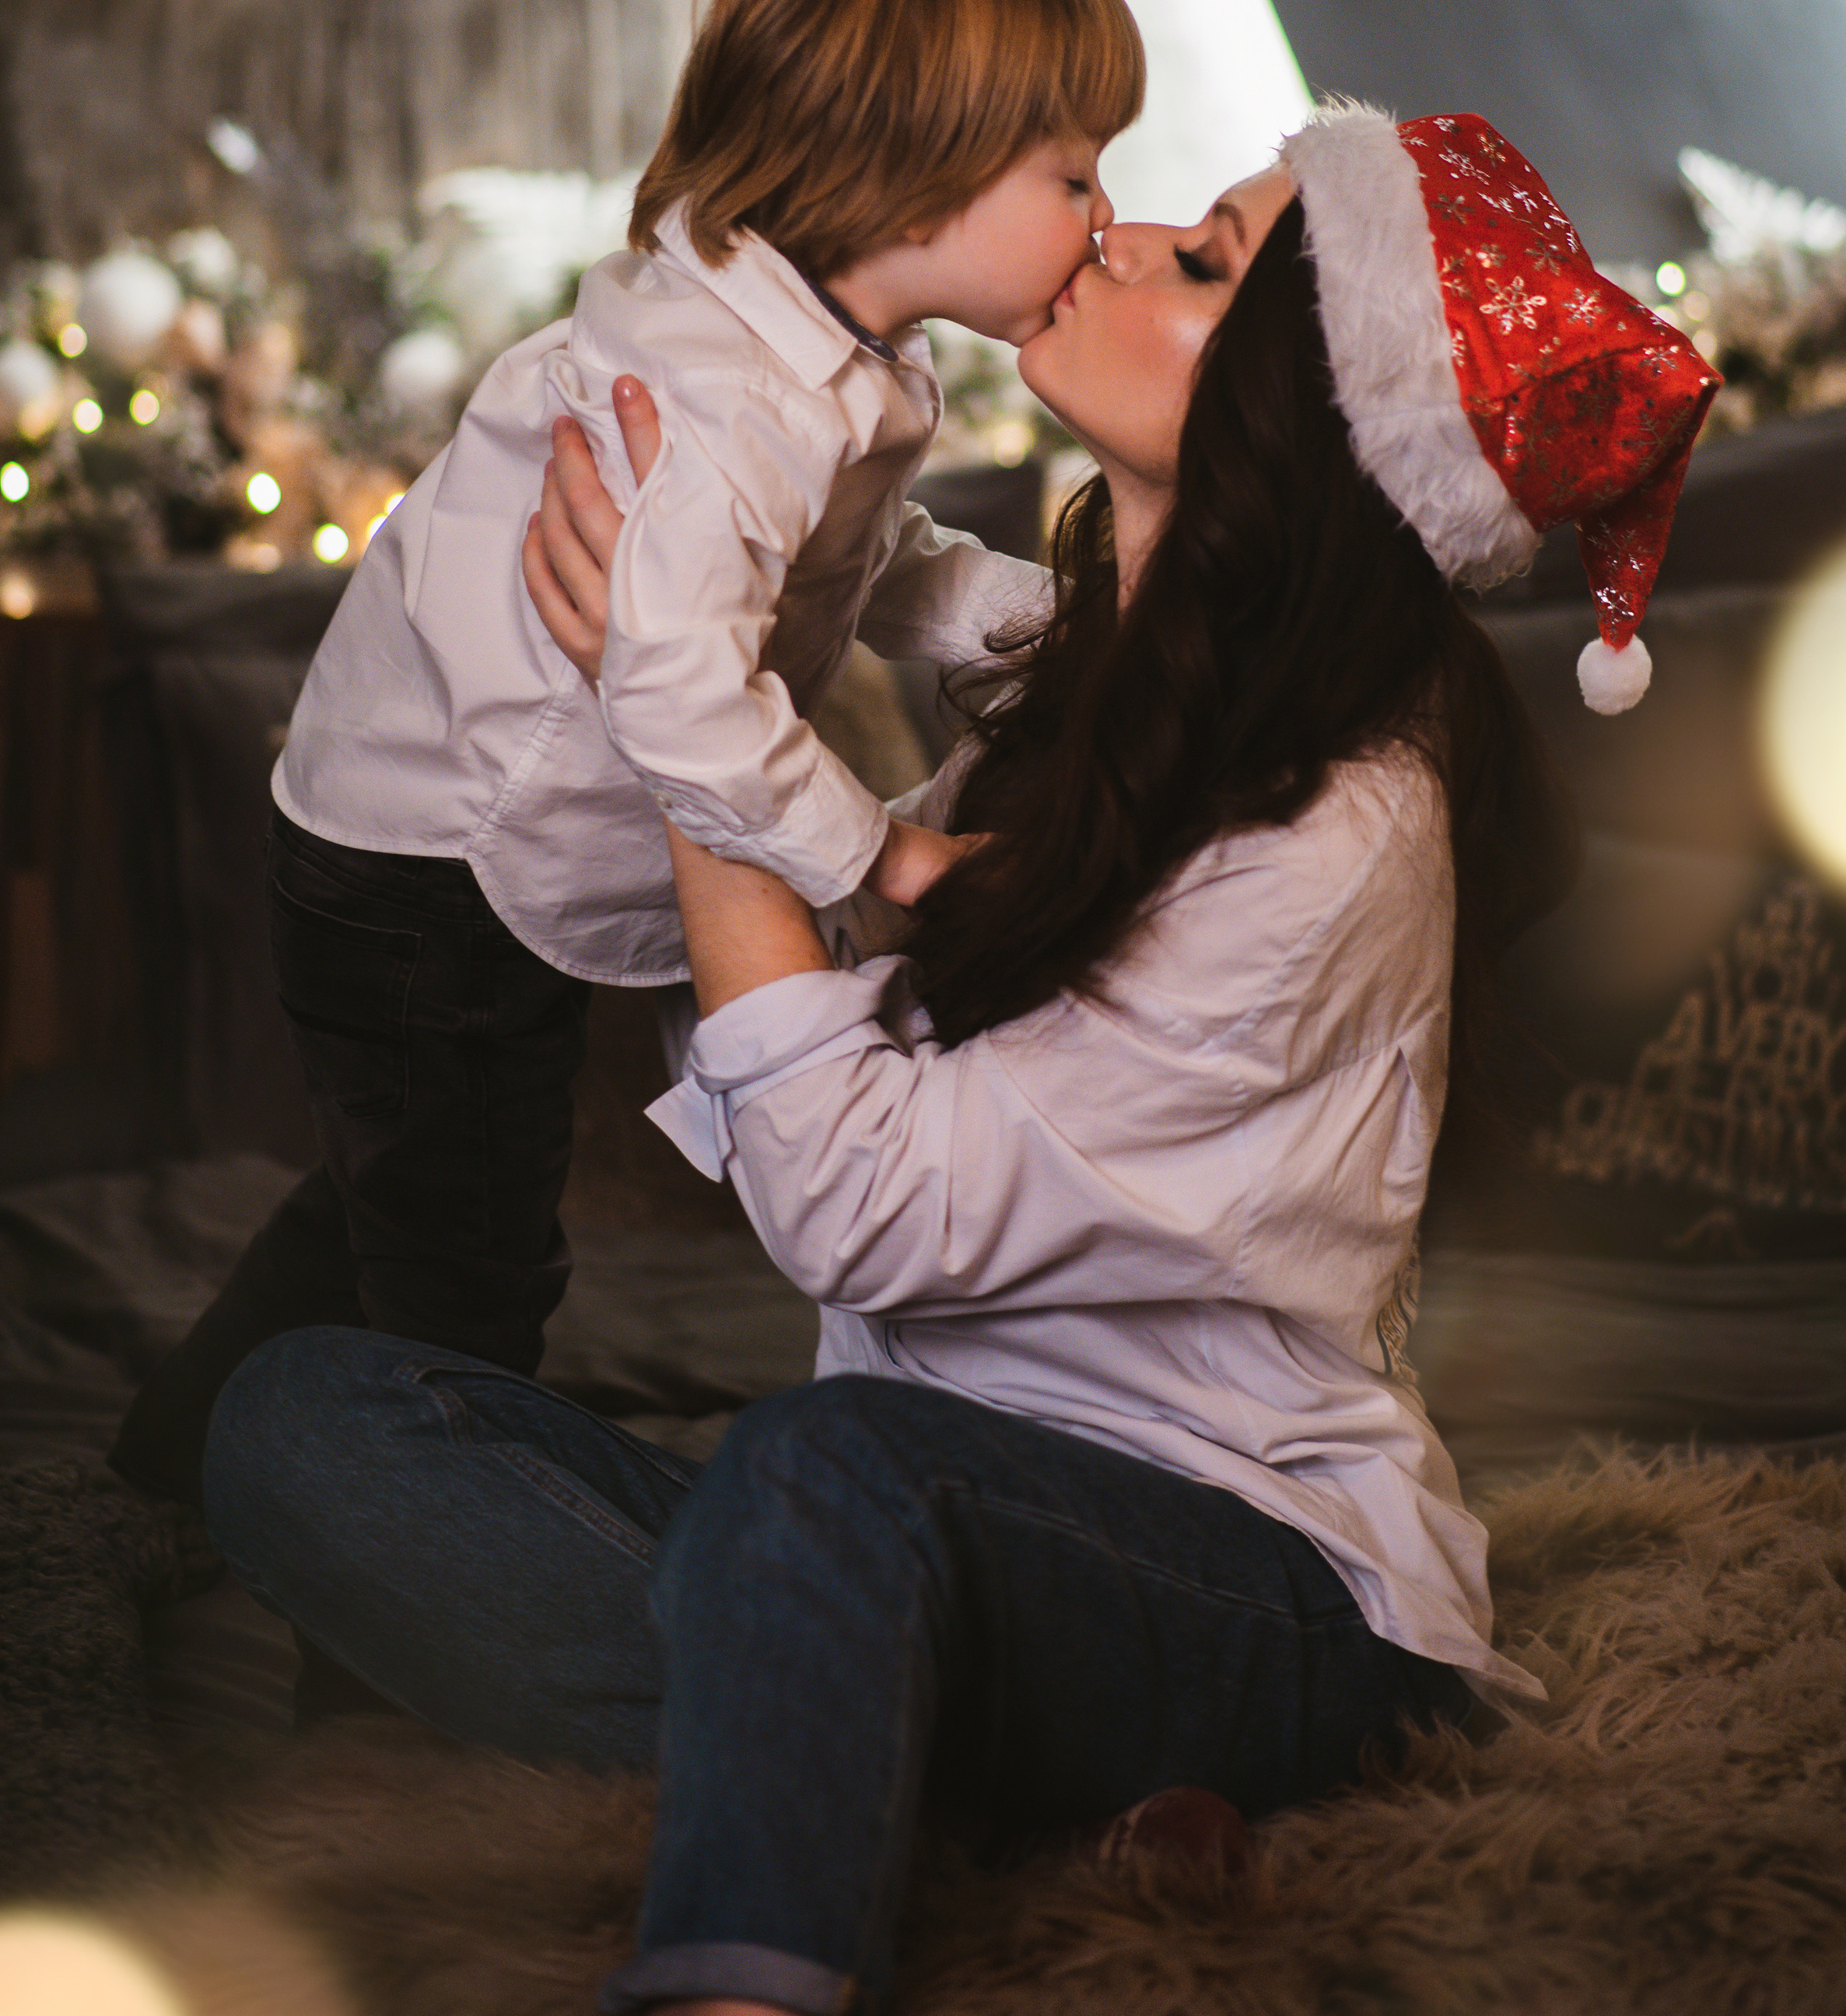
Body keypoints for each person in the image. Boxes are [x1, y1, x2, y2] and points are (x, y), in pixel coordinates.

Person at [201, 103, 1718, 2016]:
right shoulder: (1073, 705)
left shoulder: (1336, 827)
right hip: (924, 1525)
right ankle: (934, 1754)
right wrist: (689, 684)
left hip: (1249, 1585)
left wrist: (695, 733)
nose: (1128, 231)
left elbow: (846, 1197)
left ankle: (748, 1960)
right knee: (305, 1419)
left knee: (828, 1472)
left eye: (1209, 258)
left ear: (1323, 421)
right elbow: (815, 1001)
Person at [112, 0, 1142, 1515]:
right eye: (1071, 170)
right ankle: (372, 1664)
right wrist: (878, 856)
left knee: (398, 1189)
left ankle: (167, 1472)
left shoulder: (836, 348)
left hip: (420, 833)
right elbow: (676, 682)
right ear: (907, 163)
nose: (1102, 215)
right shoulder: (723, 398)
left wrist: (1036, 618)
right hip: (427, 850)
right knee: (464, 1281)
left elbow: (851, 568)